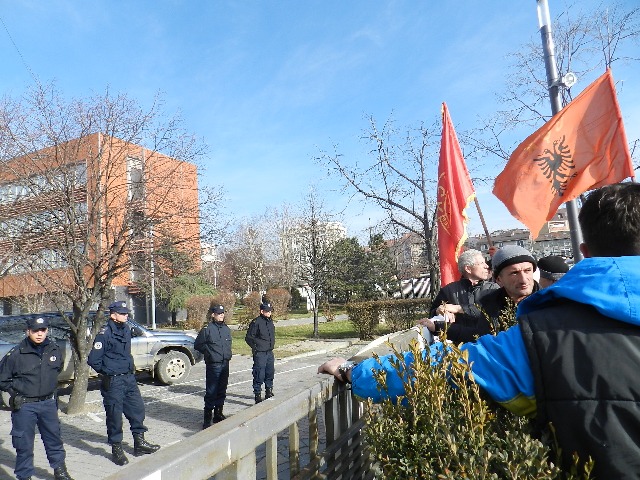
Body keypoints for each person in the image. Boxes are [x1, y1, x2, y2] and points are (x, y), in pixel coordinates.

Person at [319, 183, 640, 477]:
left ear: (584, 250)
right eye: (512, 272)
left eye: (528, 270)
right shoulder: (510, 316)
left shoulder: (542, 339)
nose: (523, 279)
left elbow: (444, 368)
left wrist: (353, 371)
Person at [0, 316, 73, 480]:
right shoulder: (17, 354)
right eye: (35, 331)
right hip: (25, 406)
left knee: (54, 439)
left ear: (47, 331)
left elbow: (57, 370)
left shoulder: (53, 349)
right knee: (23, 444)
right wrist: (15, 394)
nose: (39, 334)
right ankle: (24, 476)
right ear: (28, 331)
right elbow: (2, 379)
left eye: (43, 330)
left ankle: (60, 471)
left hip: (48, 403)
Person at [88, 301, 160, 466]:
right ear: (113, 315)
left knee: (137, 409)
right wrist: (108, 370)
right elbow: (93, 360)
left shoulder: (126, 329)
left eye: (126, 313)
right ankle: (117, 449)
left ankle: (139, 443)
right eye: (122, 313)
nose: (126, 315)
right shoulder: (104, 333)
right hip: (113, 381)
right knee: (114, 416)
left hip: (128, 378)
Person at [419, 249, 498, 343]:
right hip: (458, 350)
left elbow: (490, 312)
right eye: (481, 263)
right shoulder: (448, 290)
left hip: (489, 346)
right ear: (468, 269)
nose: (486, 266)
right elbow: (432, 315)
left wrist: (458, 308)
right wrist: (439, 311)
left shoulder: (493, 288)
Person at [194, 304, 232, 428]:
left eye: (222, 313)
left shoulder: (226, 329)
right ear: (213, 315)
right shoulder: (207, 329)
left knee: (222, 390)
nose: (221, 315)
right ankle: (207, 418)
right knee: (211, 391)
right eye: (218, 313)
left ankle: (218, 413)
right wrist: (209, 352)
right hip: (213, 364)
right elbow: (198, 345)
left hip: (225, 363)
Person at [245, 302, 275, 404]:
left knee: (269, 372)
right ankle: (257, 394)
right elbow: (249, 338)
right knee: (259, 374)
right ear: (262, 311)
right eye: (267, 311)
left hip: (269, 352)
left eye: (270, 311)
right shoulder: (256, 322)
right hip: (260, 353)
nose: (269, 313)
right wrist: (256, 347)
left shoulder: (270, 322)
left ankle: (269, 391)